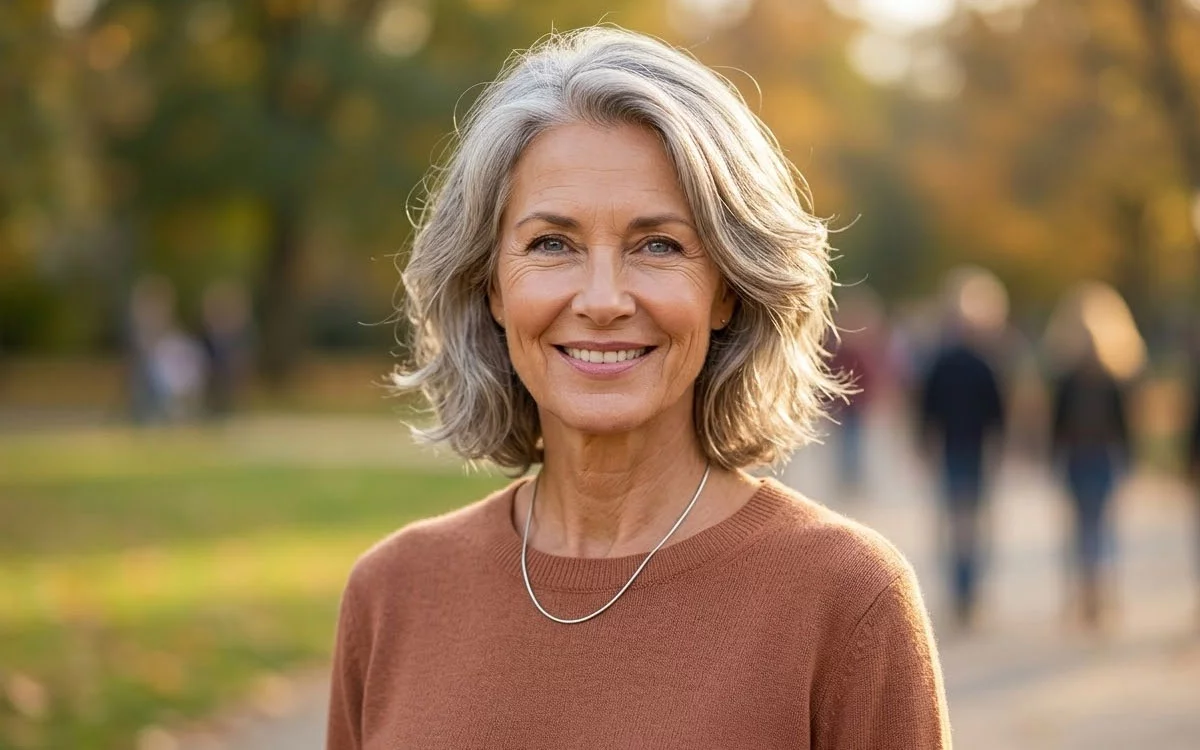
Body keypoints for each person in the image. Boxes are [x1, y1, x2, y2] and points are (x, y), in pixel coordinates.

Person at [327, 27, 950, 749]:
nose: (602, 299)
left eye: (658, 245)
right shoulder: (393, 594)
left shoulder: (847, 599)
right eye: (551, 244)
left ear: (727, 291)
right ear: (490, 285)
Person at [918, 267, 1008, 631]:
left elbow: (996, 411)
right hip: (958, 451)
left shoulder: (977, 362)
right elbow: (928, 406)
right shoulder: (950, 361)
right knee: (962, 523)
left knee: (965, 524)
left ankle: (968, 590)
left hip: (971, 452)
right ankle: (964, 590)